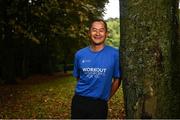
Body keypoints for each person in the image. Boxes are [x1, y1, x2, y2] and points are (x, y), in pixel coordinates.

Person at [71, 19, 121, 119]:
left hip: (100, 104)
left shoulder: (115, 54)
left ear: (106, 34)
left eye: (101, 30)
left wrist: (106, 97)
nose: (97, 33)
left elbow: (117, 79)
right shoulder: (79, 54)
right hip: (79, 101)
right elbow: (79, 77)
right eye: (94, 30)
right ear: (89, 33)